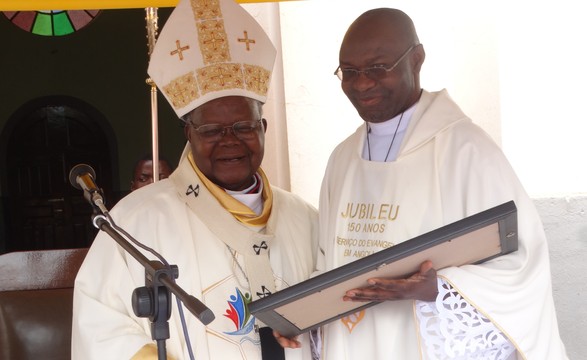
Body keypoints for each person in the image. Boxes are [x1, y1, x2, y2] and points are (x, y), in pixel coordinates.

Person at [71, 0, 318, 359]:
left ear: (263, 129)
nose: (230, 140)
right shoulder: (137, 222)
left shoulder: (304, 219)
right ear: (189, 134)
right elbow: (99, 327)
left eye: (244, 127)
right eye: (212, 130)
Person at [317, 8, 568, 359]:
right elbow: (325, 263)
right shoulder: (342, 159)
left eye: (377, 68)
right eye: (350, 71)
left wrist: (442, 288)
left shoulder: (467, 151)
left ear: (416, 59)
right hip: (358, 342)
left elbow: (522, 265)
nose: (362, 83)